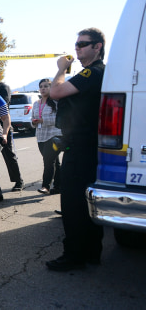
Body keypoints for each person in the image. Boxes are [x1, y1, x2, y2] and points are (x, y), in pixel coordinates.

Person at [46, 28, 106, 272]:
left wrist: (61, 68)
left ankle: (74, 256)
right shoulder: (93, 72)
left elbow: (56, 92)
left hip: (81, 146)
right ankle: (91, 251)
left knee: (72, 203)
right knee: (86, 202)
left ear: (97, 47)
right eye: (76, 44)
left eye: (83, 44)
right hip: (88, 145)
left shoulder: (94, 71)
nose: (77, 48)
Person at [0, 65, 24, 191]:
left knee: (9, 155)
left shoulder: (3, 88)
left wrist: (4, 133)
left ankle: (19, 181)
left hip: (3, 128)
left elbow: (4, 104)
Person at [32, 78, 62, 195]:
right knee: (55, 162)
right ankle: (59, 186)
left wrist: (42, 120)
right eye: (41, 86)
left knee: (48, 161)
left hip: (54, 135)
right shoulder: (36, 103)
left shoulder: (56, 102)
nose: (43, 88)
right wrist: (33, 122)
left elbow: (59, 119)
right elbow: (32, 119)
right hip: (40, 136)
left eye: (46, 86)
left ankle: (46, 186)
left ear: (51, 88)